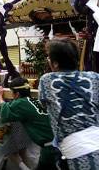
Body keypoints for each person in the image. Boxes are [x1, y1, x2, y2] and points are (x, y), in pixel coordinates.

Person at [39, 38, 99, 170]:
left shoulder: (46, 80)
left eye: (49, 57)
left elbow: (43, 104)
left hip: (77, 152)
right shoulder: (94, 77)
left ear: (54, 63)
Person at [0, 77, 58, 170]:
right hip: (57, 143)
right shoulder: (35, 100)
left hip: (50, 148)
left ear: (16, 94)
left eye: (12, 93)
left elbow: (5, 114)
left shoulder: (21, 103)